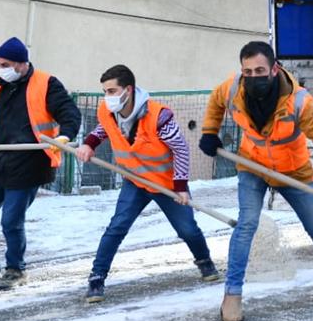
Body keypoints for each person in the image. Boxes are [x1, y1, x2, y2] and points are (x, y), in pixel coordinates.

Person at [199, 41, 313, 321]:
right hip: (253, 166)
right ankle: (231, 295)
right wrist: (210, 131)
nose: (253, 76)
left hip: (293, 171)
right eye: (248, 71)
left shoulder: (299, 101)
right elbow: (215, 101)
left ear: (274, 68)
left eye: (260, 69)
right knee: (246, 224)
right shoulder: (233, 87)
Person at [75, 64, 220, 303]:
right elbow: (104, 129)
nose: (107, 97)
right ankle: (97, 278)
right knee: (117, 227)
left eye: (112, 91)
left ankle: (204, 261)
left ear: (128, 90)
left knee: (187, 229)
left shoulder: (158, 117)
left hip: (166, 184)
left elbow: (181, 149)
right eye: (105, 92)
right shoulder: (109, 111)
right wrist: (89, 143)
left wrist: (181, 186)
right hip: (135, 180)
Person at [0, 37, 81, 290]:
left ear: (22, 63)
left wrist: (63, 137)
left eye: (6, 64)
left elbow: (70, 114)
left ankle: (15, 270)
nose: (1, 69)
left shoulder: (47, 84)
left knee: (11, 219)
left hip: (30, 163)